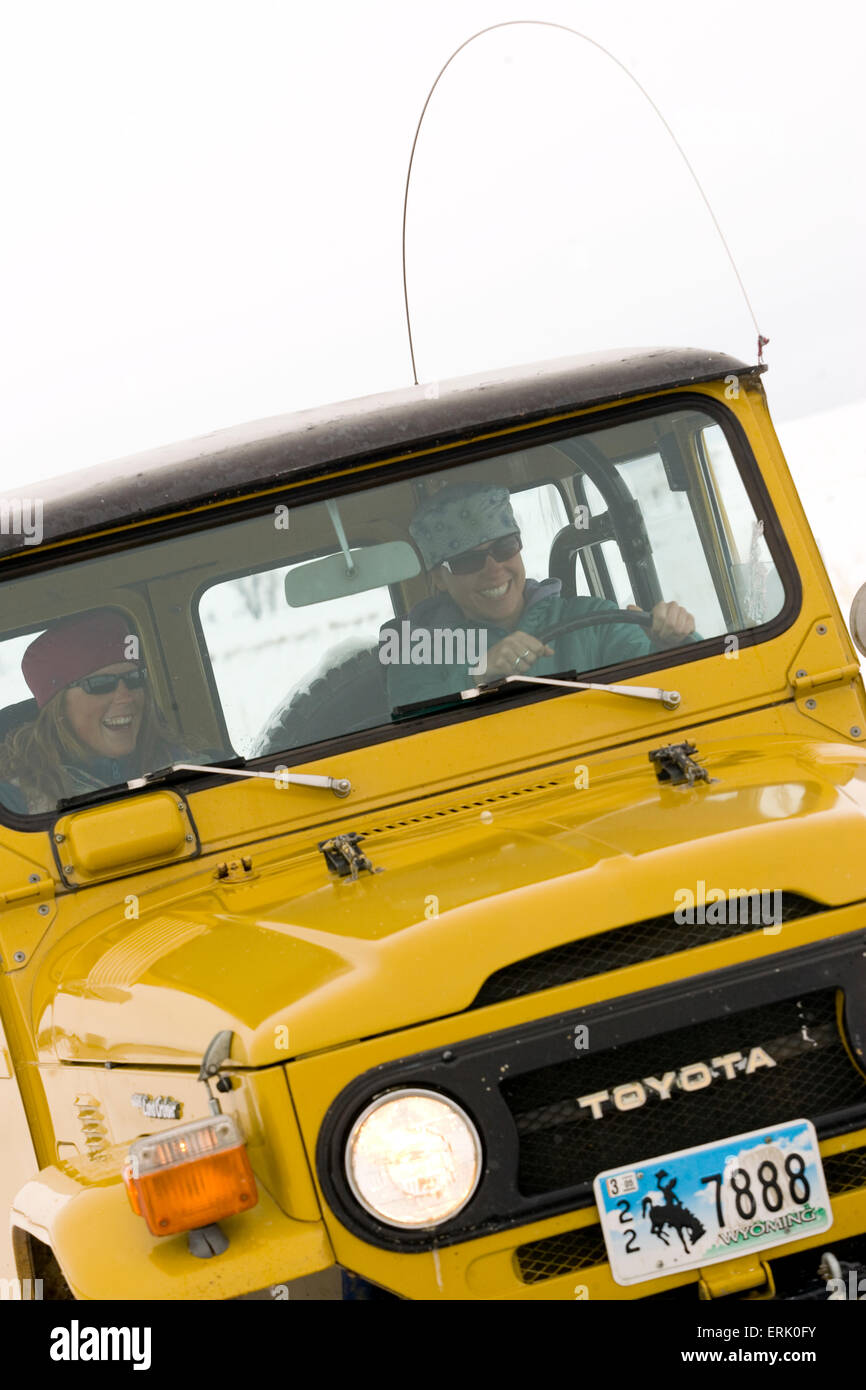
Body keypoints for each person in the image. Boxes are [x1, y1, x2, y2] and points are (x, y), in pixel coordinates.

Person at [382, 482, 696, 710]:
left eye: (504, 548)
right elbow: (407, 728)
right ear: (439, 578)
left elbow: (668, 696)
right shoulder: (417, 651)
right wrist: (477, 675)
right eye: (468, 561)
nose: (494, 568)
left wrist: (673, 643)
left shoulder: (593, 620)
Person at [0, 609, 183, 814]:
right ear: (57, 707)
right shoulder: (14, 809)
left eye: (134, 679)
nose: (126, 697)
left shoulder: (196, 768)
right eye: (101, 685)